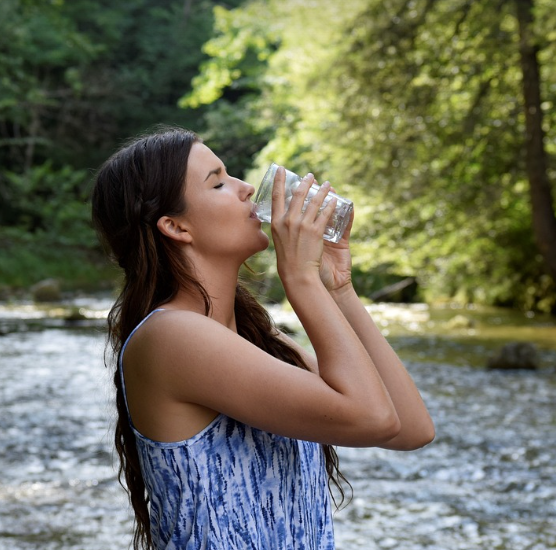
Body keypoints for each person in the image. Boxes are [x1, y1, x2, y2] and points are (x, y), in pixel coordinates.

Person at [90, 126, 434, 550]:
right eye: (217, 182)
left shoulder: (259, 340)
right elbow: (372, 417)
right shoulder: (170, 336)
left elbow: (410, 428)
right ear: (175, 226)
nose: (246, 188)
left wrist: (338, 289)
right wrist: (300, 279)